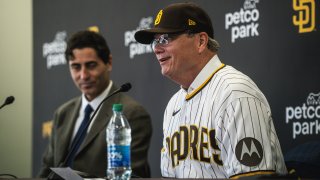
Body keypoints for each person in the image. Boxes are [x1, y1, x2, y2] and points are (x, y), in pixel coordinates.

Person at [134, 2, 287, 179]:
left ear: (200, 41)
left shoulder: (235, 93)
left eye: (165, 39)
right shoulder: (173, 105)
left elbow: (253, 177)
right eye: (155, 42)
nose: (157, 49)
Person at [38, 30, 152, 178]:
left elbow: (131, 176)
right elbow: (46, 170)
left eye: (91, 65)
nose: (83, 75)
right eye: (76, 67)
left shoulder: (132, 114)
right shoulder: (62, 113)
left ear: (109, 62)